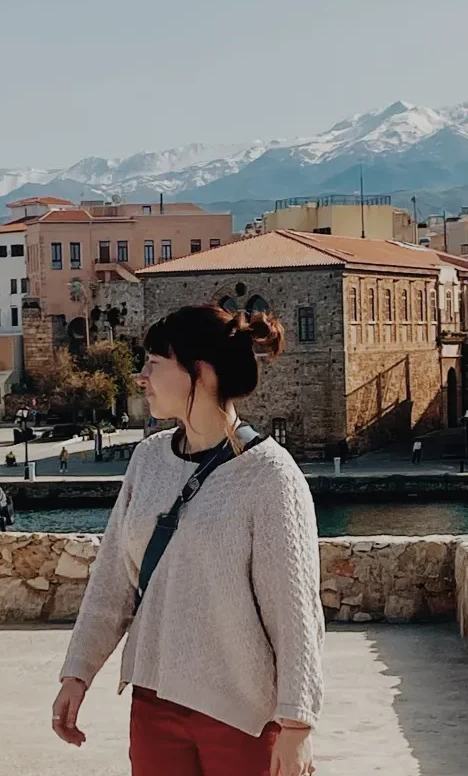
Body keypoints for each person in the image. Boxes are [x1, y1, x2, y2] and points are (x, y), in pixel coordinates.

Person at [53, 304, 323, 776]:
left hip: (242, 715)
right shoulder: (148, 460)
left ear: (199, 372)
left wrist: (297, 723)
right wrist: (78, 672)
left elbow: (295, 611)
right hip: (154, 700)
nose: (142, 377)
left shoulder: (270, 476)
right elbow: (114, 578)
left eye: (154, 364)